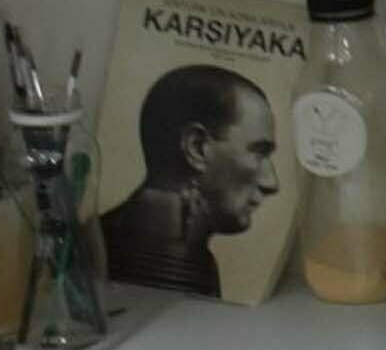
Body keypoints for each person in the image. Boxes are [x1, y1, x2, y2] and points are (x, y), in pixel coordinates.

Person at [101, 65, 283, 298]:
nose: (271, 183)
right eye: (259, 153)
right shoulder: (166, 263)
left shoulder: (103, 240)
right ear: (196, 148)